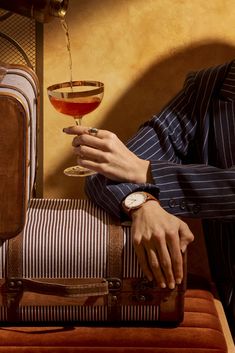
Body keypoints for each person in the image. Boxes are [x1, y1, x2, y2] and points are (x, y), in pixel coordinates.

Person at [63, 59, 235, 327]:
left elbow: (135, 165)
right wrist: (143, 202)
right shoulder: (208, 87)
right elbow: (109, 167)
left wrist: (148, 172)